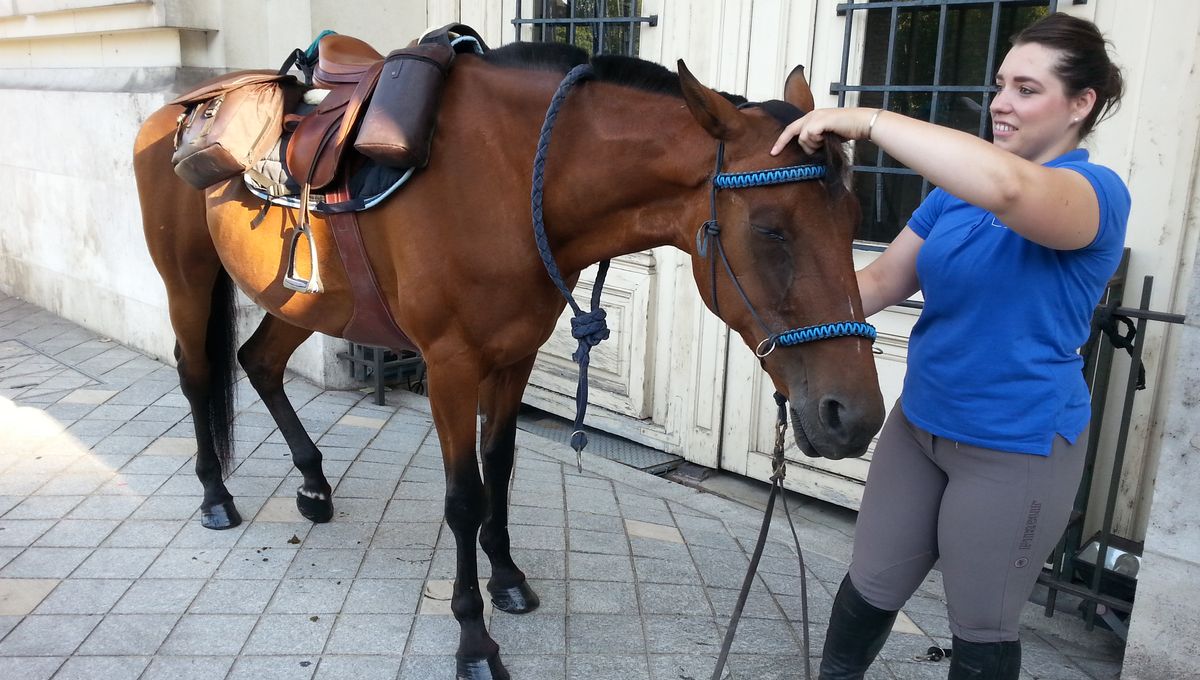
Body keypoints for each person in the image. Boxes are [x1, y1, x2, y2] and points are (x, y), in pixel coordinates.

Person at [770, 12, 1129, 680]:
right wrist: (776, 313)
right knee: (869, 586)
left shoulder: (1095, 194)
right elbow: (877, 280)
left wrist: (869, 120)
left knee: (981, 629)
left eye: (1026, 89)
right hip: (921, 427)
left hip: (1015, 445)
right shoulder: (954, 197)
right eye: (999, 85)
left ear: (1080, 105)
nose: (1000, 103)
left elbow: (1012, 188)